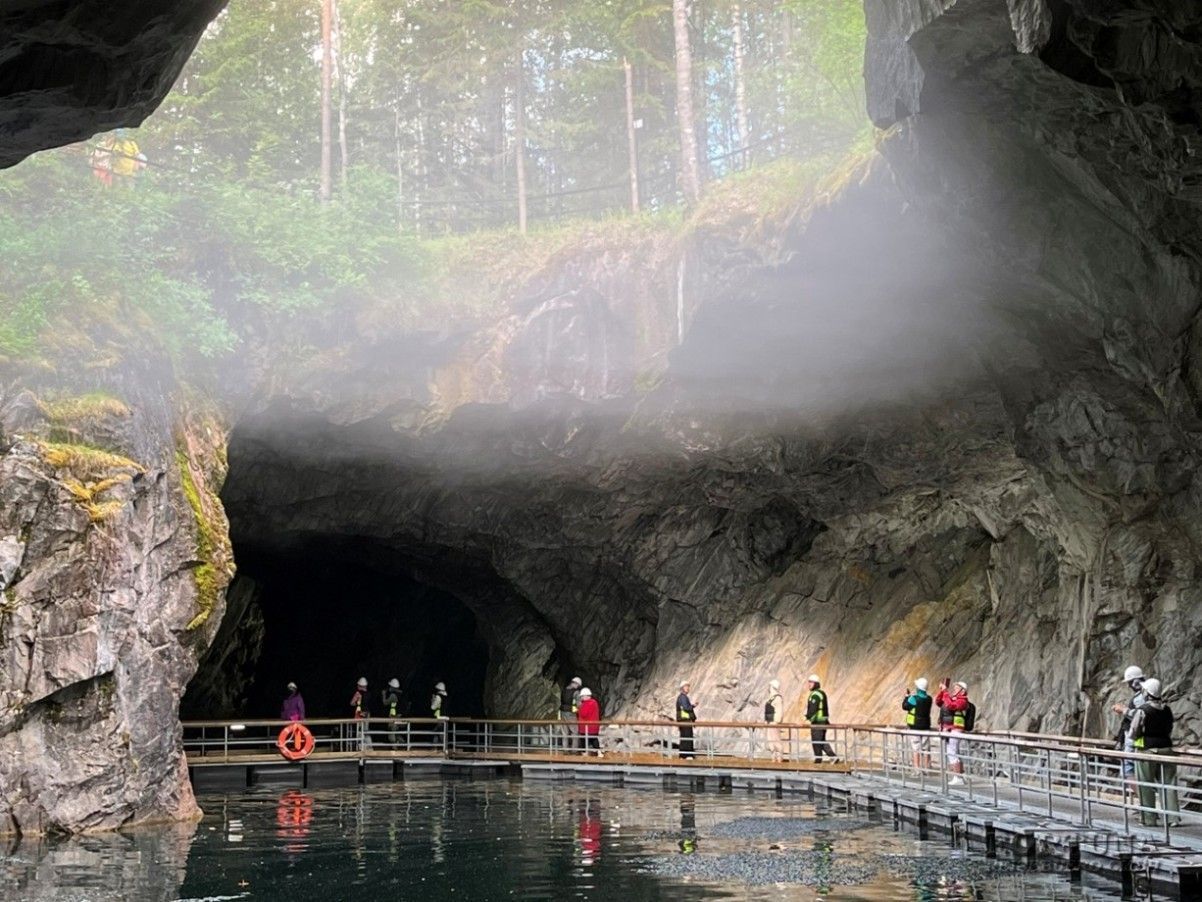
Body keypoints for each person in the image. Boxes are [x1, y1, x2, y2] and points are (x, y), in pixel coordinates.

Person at [1127, 678, 1180, 827]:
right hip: (1166, 748)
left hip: (1147, 749)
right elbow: (1169, 728)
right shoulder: (1167, 710)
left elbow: (1133, 732)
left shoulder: (1143, 710)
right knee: (1168, 784)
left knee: (1145, 784)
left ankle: (1148, 819)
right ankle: (1173, 818)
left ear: (1146, 692)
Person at [1111, 665, 1145, 782]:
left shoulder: (1140, 697)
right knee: (1131, 768)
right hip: (1136, 738)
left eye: (1130, 683)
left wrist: (1124, 710)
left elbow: (1140, 716)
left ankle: (1140, 792)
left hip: (1136, 739)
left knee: (1129, 769)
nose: (1129, 686)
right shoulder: (1141, 695)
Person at [935, 679, 969, 784]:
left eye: (957, 688)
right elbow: (939, 702)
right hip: (950, 729)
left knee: (952, 752)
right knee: (953, 752)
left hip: (956, 729)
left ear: (963, 691)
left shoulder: (962, 701)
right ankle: (960, 776)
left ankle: (958, 777)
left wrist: (945, 692)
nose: (954, 689)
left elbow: (951, 706)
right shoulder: (953, 699)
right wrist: (942, 691)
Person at [805, 674, 837, 763]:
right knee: (821, 741)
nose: (809, 684)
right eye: (809, 682)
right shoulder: (821, 693)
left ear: (816, 684)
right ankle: (833, 757)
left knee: (816, 741)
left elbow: (813, 709)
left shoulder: (815, 695)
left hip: (818, 722)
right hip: (823, 721)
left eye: (811, 682)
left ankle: (818, 760)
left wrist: (808, 717)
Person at [902, 677, 933, 769]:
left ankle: (917, 768)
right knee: (926, 748)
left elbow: (905, 706)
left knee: (916, 748)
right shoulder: (929, 699)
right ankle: (927, 768)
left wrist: (906, 697)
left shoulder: (914, 698)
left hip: (915, 727)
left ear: (918, 688)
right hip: (926, 726)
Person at [765, 679, 785, 762]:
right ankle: (773, 757)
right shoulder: (770, 698)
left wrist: (777, 721)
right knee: (770, 740)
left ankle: (779, 757)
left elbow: (779, 711)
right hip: (769, 722)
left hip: (774, 722)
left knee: (776, 740)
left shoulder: (777, 698)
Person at [577, 687, 601, 756]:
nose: (581, 698)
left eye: (582, 696)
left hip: (585, 727)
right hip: (594, 726)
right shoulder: (594, 702)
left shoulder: (586, 704)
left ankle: (585, 753)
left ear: (586, 696)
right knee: (594, 739)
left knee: (584, 740)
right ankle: (599, 752)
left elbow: (583, 714)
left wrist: (579, 709)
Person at [675, 681, 697, 759]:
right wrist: (693, 706)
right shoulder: (683, 697)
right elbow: (686, 708)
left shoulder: (682, 697)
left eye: (688, 686)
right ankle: (687, 755)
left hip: (683, 720)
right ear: (682, 688)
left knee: (685, 737)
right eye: (686, 686)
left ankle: (683, 755)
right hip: (685, 720)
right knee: (687, 737)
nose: (688, 688)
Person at [560, 676, 582, 752]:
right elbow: (579, 704)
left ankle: (565, 750)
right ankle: (574, 750)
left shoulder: (563, 690)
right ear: (575, 683)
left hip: (562, 712)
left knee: (564, 733)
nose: (577, 687)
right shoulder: (576, 692)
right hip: (571, 714)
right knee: (575, 732)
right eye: (578, 685)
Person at [350, 676, 371, 751]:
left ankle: (361, 748)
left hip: (360, 713)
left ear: (359, 685)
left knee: (359, 731)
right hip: (367, 713)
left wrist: (356, 702)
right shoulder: (369, 694)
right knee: (366, 731)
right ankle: (369, 747)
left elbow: (352, 703)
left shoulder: (358, 693)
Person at [382, 678, 401, 746]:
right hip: (400, 715)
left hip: (394, 716)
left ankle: (394, 746)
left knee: (391, 731)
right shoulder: (401, 693)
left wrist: (383, 695)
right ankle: (403, 743)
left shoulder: (393, 695)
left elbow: (385, 703)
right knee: (396, 732)